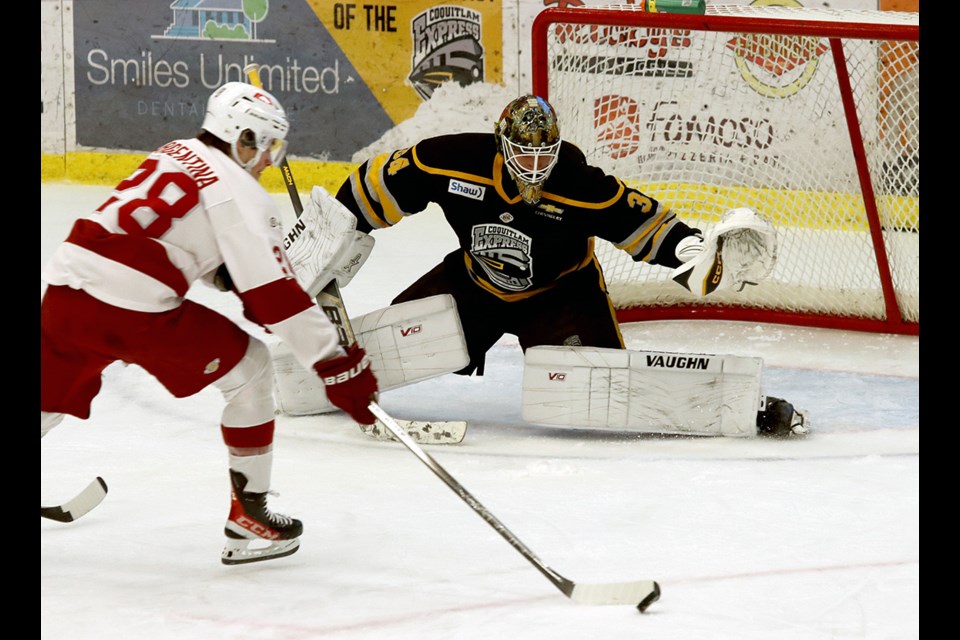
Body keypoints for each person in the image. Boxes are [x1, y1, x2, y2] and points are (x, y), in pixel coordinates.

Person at [40, 82, 380, 564]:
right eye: (268, 147)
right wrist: (336, 364)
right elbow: (273, 299)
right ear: (244, 137)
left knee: (49, 393)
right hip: (131, 308)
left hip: (65, 287)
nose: (268, 161)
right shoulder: (241, 193)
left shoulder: (175, 152)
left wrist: (231, 274)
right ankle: (250, 518)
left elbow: (179, 237)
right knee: (254, 371)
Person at [332, 94, 807, 437]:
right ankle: (321, 375)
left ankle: (747, 409)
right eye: (523, 152)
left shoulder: (580, 185)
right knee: (391, 342)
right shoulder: (452, 161)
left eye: (545, 153)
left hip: (561, 297)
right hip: (474, 283)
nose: (534, 164)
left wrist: (688, 249)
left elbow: (639, 219)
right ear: (501, 144)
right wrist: (334, 234)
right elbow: (379, 184)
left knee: (605, 391)